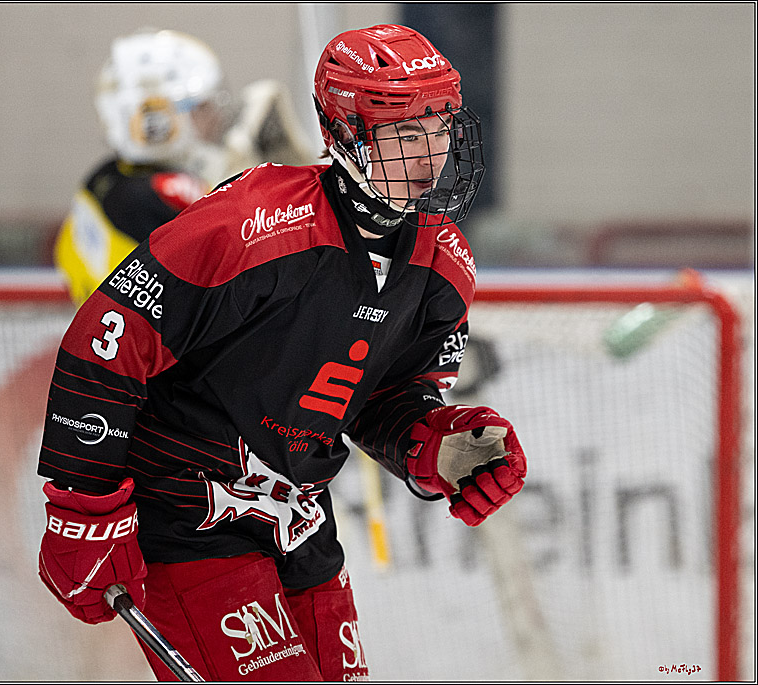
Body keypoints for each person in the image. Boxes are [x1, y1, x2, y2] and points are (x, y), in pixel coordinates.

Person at [35, 23, 526, 682]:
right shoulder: (249, 222)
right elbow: (103, 344)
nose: (429, 155)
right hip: (188, 515)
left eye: (438, 129)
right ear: (347, 133)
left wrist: (434, 442)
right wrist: (81, 506)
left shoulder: (445, 264)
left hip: (299, 521)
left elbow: (383, 399)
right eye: (405, 134)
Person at [54, 28, 315, 305]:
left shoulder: (105, 178)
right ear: (155, 123)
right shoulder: (149, 198)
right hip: (165, 345)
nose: (215, 116)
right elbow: (264, 275)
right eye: (200, 107)